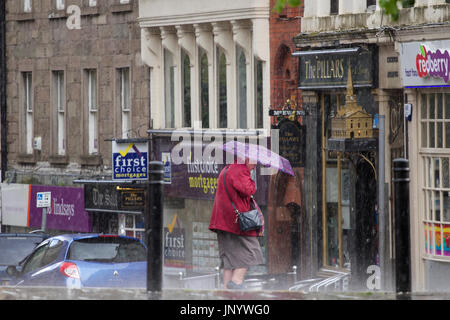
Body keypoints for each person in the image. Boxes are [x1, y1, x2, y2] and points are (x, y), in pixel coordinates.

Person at [209, 158, 264, 290]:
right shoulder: (240, 170)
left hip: (223, 220)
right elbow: (248, 190)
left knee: (229, 257)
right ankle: (236, 281)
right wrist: (252, 180)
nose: (255, 164)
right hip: (236, 222)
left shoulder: (227, 168)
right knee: (253, 250)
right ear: (245, 159)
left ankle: (227, 289)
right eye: (253, 161)